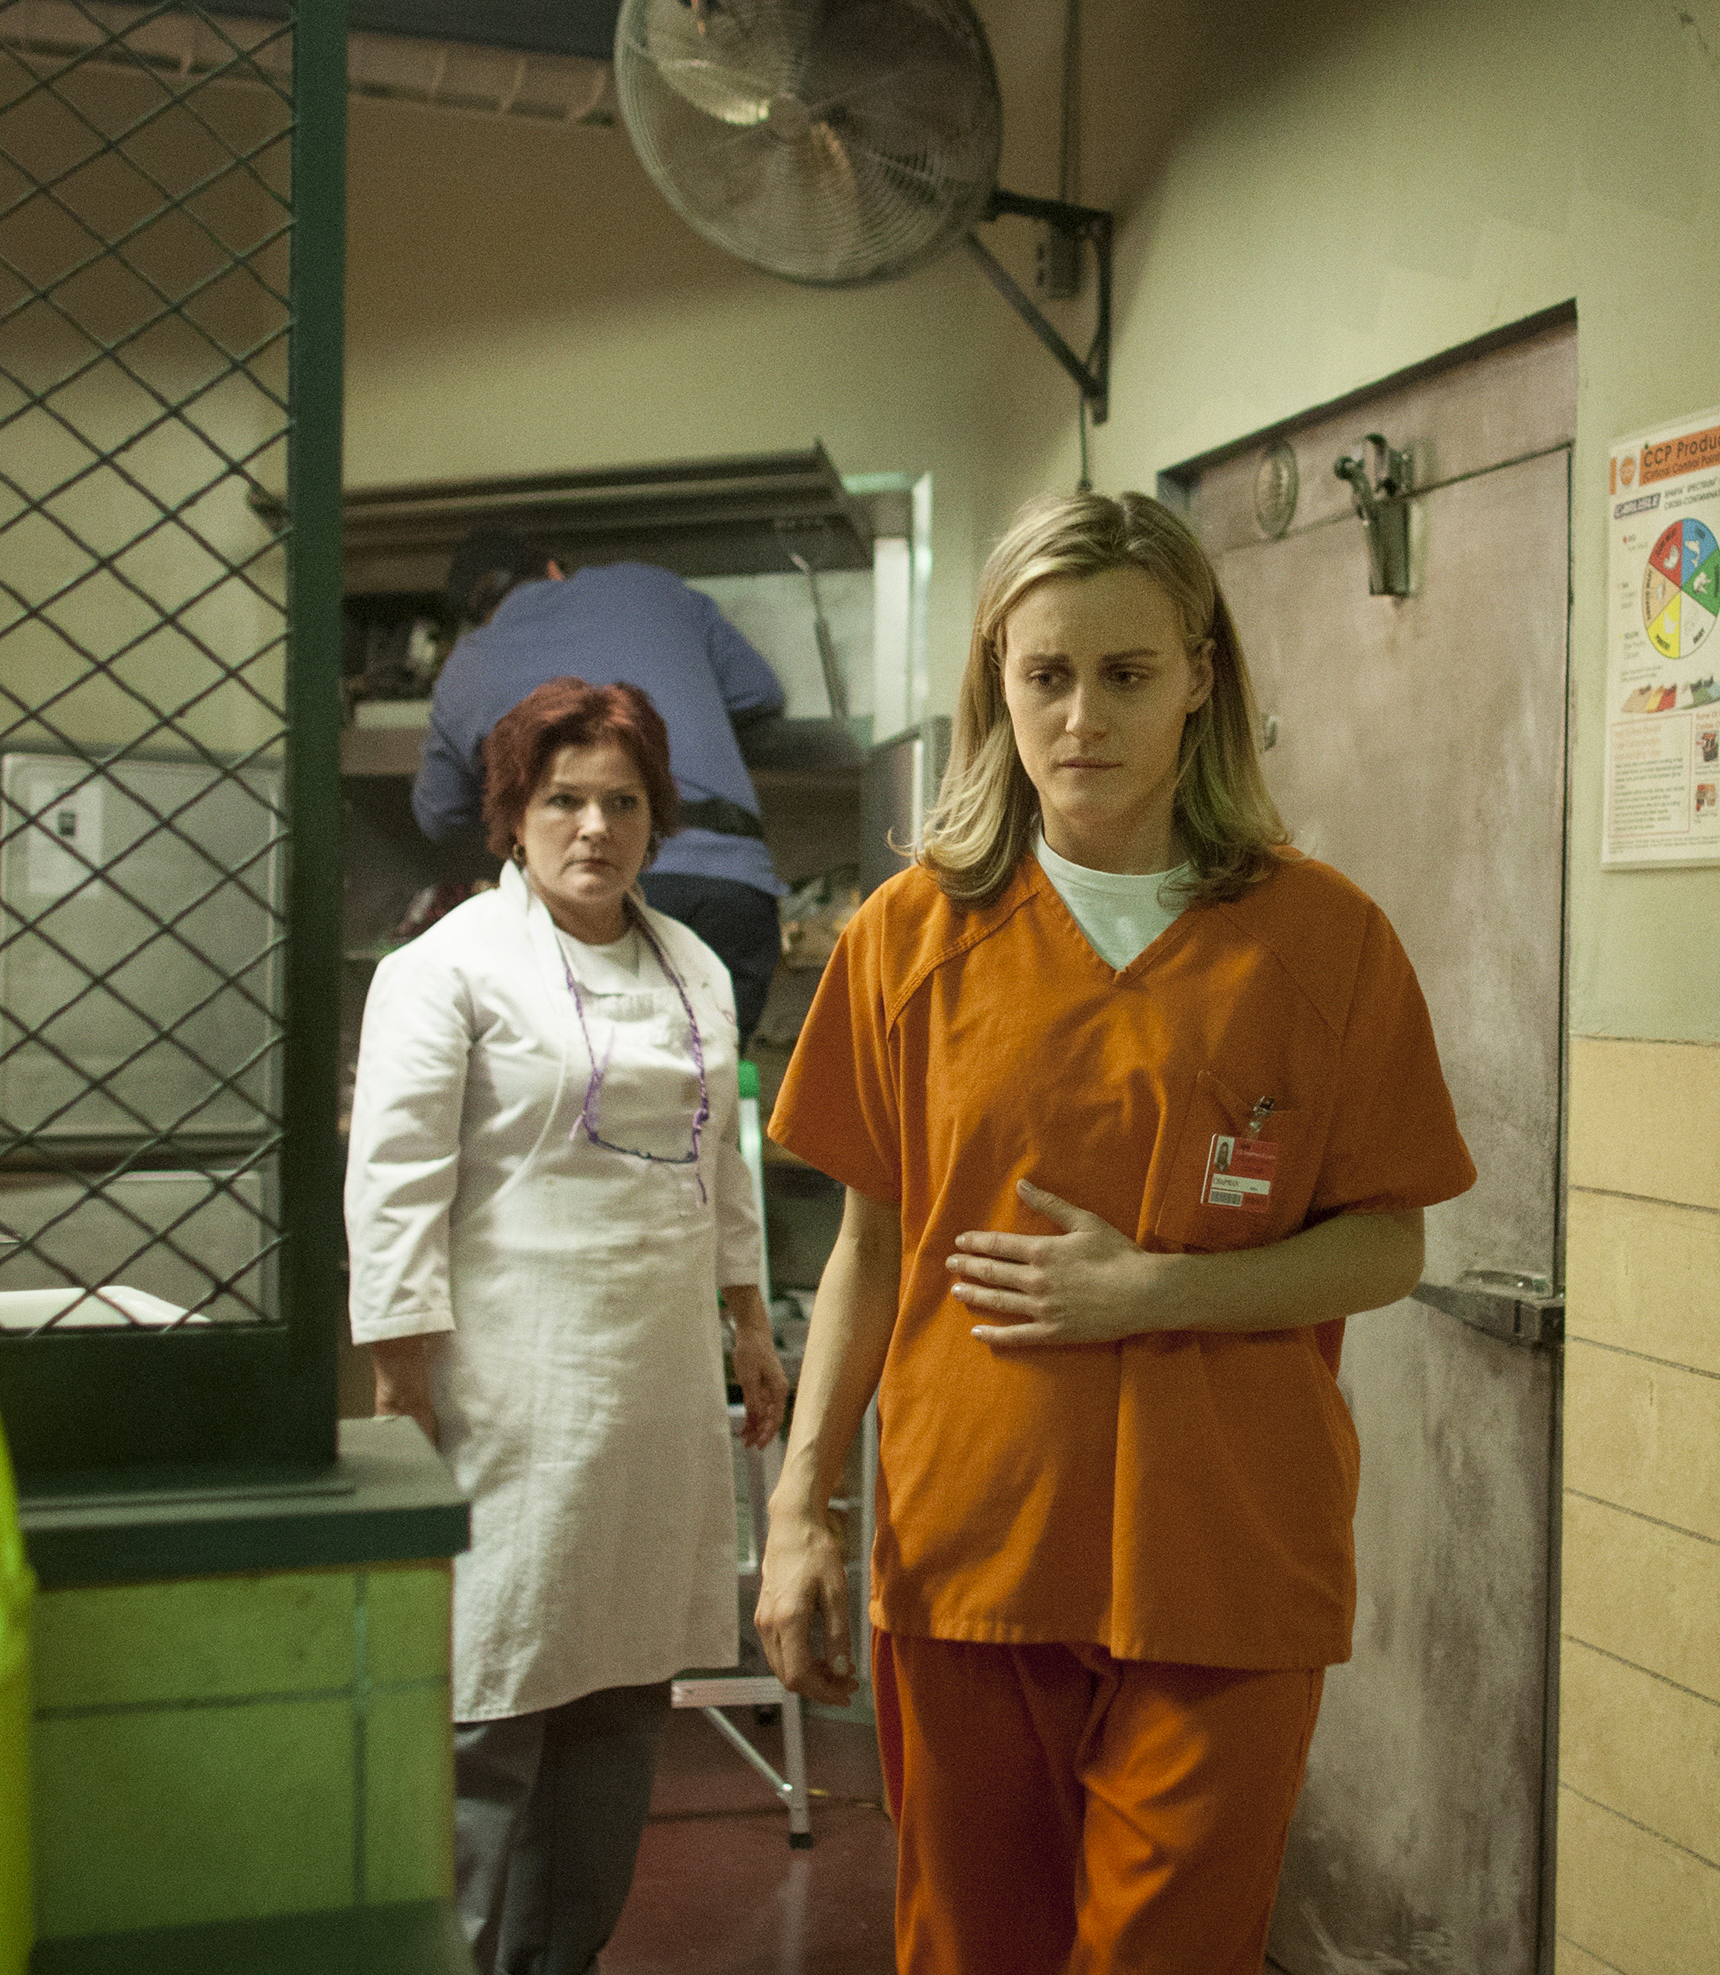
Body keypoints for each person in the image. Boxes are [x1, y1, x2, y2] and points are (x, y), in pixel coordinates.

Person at [752, 491, 1475, 1972]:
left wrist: (1154, 1287)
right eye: (1047, 675)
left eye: (1129, 674)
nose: (1084, 716)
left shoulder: (1322, 937)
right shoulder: (908, 933)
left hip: (1225, 1556)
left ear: (1202, 675)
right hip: (973, 1551)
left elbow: (1387, 1242)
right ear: (996, 683)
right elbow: (867, 1252)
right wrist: (797, 1507)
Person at [349, 677, 791, 1975]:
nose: (594, 826)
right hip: (504, 1389)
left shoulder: (695, 965)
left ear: (655, 817)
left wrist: (749, 1322)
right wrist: (399, 1377)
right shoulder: (447, 968)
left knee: (620, 1695)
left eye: (621, 800)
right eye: (564, 800)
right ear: (513, 814)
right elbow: (394, 1178)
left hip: (652, 1392)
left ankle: (567, 1953)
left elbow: (725, 1165)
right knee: (496, 1696)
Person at [416, 527, 790, 1045]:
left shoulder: (467, 664)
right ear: (551, 568)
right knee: (702, 1092)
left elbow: (438, 814)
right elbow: (760, 693)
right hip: (731, 883)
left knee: (602, 1100)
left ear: (475, 612)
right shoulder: (651, 586)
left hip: (596, 900)